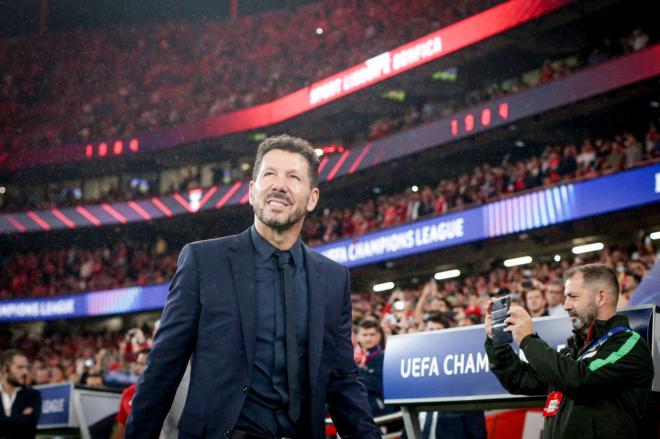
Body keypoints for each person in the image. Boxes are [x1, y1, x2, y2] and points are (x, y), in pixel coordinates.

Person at [126, 135, 380, 439]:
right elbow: (163, 367)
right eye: (269, 174)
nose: (279, 185)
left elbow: (342, 380)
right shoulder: (204, 261)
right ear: (251, 190)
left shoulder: (333, 278)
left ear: (312, 198)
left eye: (293, 177)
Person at [484, 263, 654, 438]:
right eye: (565, 297)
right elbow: (519, 379)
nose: (565, 305)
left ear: (601, 297)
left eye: (573, 296)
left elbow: (580, 380)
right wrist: (497, 342)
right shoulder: (573, 352)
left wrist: (528, 340)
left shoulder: (629, 344)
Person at [0, 350, 41, 439]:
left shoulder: (33, 395)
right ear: (5, 369)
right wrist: (20, 418)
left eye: (27, 367)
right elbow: (22, 424)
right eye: (20, 367)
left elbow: (28, 426)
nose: (25, 372)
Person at [356, 320, 392, 418]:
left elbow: (379, 385)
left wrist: (358, 371)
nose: (368, 338)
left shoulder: (384, 357)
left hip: (379, 412)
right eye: (365, 335)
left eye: (372, 334)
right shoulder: (355, 359)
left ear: (379, 336)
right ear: (358, 337)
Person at [112, 349, 149, 439]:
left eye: (142, 364)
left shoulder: (167, 395)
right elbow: (120, 430)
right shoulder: (128, 392)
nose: (136, 369)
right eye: (137, 363)